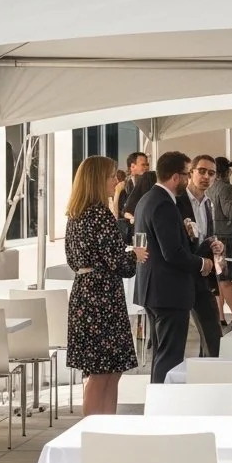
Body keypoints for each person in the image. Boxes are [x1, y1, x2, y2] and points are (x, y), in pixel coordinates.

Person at [65, 156, 148, 416]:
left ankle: (102, 429)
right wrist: (134, 255)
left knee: (106, 370)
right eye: (112, 176)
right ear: (97, 179)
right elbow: (117, 262)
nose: (116, 180)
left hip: (85, 293)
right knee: (103, 372)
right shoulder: (99, 213)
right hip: (102, 297)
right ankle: (91, 433)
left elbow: (73, 258)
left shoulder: (75, 214)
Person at [133, 151, 217, 383]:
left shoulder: (147, 199)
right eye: (186, 173)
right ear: (175, 176)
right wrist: (202, 263)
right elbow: (172, 253)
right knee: (170, 358)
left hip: (155, 290)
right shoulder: (164, 204)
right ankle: (163, 409)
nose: (189, 178)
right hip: (168, 293)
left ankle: (157, 404)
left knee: (161, 355)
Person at [177, 154, 229, 355]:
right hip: (181, 274)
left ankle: (209, 374)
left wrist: (216, 244)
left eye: (211, 173)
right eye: (202, 171)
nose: (206, 176)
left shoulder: (208, 203)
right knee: (177, 340)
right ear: (191, 173)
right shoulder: (177, 200)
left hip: (202, 276)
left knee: (213, 333)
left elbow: (206, 235)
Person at [209, 156, 232, 327]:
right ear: (225, 172)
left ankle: (220, 316)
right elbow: (229, 212)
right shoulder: (226, 187)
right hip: (226, 238)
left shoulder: (209, 187)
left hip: (214, 237)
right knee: (225, 280)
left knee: (219, 279)